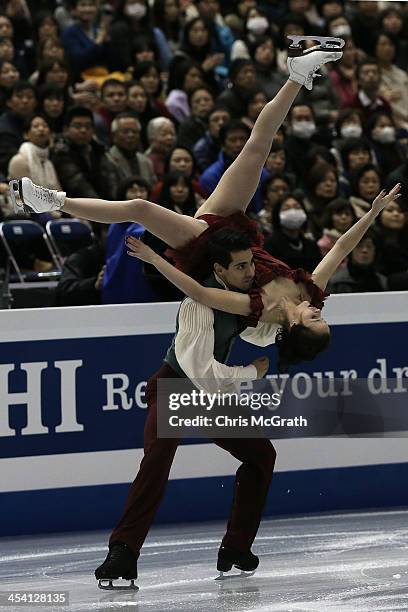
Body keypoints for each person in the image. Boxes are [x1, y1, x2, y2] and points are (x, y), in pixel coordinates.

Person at [11, 39, 346, 373]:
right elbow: (340, 249)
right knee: (257, 148)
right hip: (234, 229)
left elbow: (199, 292)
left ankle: (49, 200)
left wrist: (155, 259)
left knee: (139, 207)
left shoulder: (258, 316)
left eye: (316, 322)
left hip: (207, 248)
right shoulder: (311, 293)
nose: (321, 314)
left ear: (295, 329)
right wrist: (374, 211)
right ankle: (296, 75)